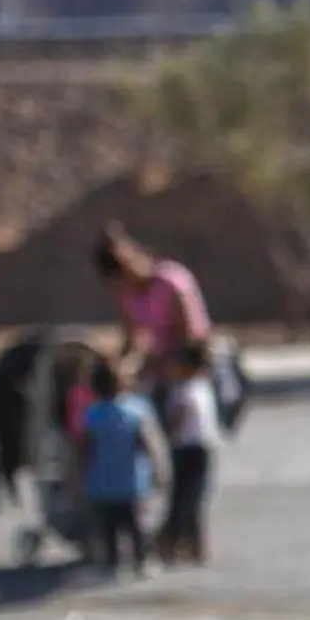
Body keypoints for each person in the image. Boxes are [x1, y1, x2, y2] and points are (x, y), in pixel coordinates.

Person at [73, 360, 171, 578]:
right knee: (137, 525)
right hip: (132, 481)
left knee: (109, 525)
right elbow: (150, 443)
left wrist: (78, 478)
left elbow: (84, 449)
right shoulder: (136, 409)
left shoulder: (92, 414)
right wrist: (160, 469)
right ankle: (142, 560)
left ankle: (112, 561)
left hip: (101, 481)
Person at [92, 223, 213, 395]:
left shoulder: (170, 281)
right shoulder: (128, 296)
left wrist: (157, 361)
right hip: (155, 374)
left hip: (187, 371)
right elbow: (132, 339)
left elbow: (190, 338)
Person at [155, 341, 221, 566]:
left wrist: (165, 435)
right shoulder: (202, 386)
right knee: (190, 498)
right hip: (200, 446)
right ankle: (189, 545)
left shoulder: (184, 390)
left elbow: (179, 418)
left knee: (186, 499)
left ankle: (178, 543)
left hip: (188, 448)